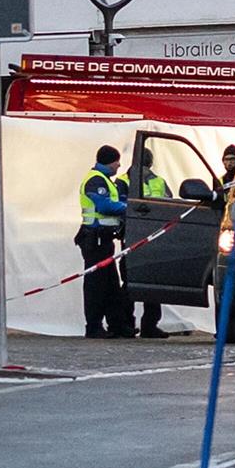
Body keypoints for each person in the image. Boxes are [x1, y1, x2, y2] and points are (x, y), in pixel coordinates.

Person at [75, 145, 131, 339]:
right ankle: (94, 326)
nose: (119, 165)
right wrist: (127, 207)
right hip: (94, 239)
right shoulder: (96, 180)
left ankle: (117, 325)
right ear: (109, 161)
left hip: (104, 240)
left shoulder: (106, 180)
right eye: (117, 161)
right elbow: (104, 205)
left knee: (111, 284)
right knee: (96, 285)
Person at [116, 148, 171, 339]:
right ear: (151, 163)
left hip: (132, 238)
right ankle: (149, 325)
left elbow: (120, 208)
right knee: (151, 281)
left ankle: (126, 324)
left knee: (129, 281)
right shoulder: (158, 181)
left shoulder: (122, 181)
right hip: (153, 237)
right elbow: (169, 206)